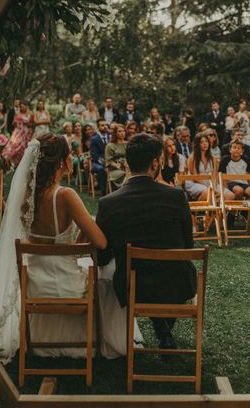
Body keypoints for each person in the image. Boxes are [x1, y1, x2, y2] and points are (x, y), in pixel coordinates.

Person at [0, 133, 141, 362]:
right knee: (109, 273)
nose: (72, 159)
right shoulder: (65, 195)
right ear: (61, 162)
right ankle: (105, 339)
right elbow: (101, 242)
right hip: (66, 285)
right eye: (70, 155)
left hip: (35, 286)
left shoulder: (26, 198)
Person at [96, 133, 196, 349]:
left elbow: (102, 257)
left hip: (132, 287)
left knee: (142, 276)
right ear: (155, 163)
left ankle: (163, 329)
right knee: (171, 272)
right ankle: (164, 330)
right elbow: (188, 246)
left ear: (128, 163)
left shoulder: (107, 203)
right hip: (176, 284)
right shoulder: (177, 197)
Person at [3, 100, 32, 168]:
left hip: (26, 133)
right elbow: (13, 123)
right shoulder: (17, 114)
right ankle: (7, 161)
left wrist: (27, 123)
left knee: (23, 148)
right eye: (20, 107)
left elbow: (32, 124)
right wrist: (16, 122)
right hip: (18, 132)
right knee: (14, 146)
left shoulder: (30, 114)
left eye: (22, 107)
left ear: (26, 107)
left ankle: (20, 164)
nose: (21, 108)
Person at [90, 119, 111, 194]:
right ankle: (104, 191)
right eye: (102, 125)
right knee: (101, 169)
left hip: (111, 160)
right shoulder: (94, 138)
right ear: (98, 127)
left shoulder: (110, 136)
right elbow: (94, 155)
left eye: (106, 125)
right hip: (97, 162)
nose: (105, 127)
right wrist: (105, 164)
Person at [105, 123, 128, 190]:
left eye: (123, 131)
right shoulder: (110, 145)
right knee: (127, 175)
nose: (122, 133)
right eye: (119, 131)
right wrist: (119, 166)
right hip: (115, 170)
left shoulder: (128, 144)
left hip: (128, 168)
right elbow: (109, 161)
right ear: (115, 133)